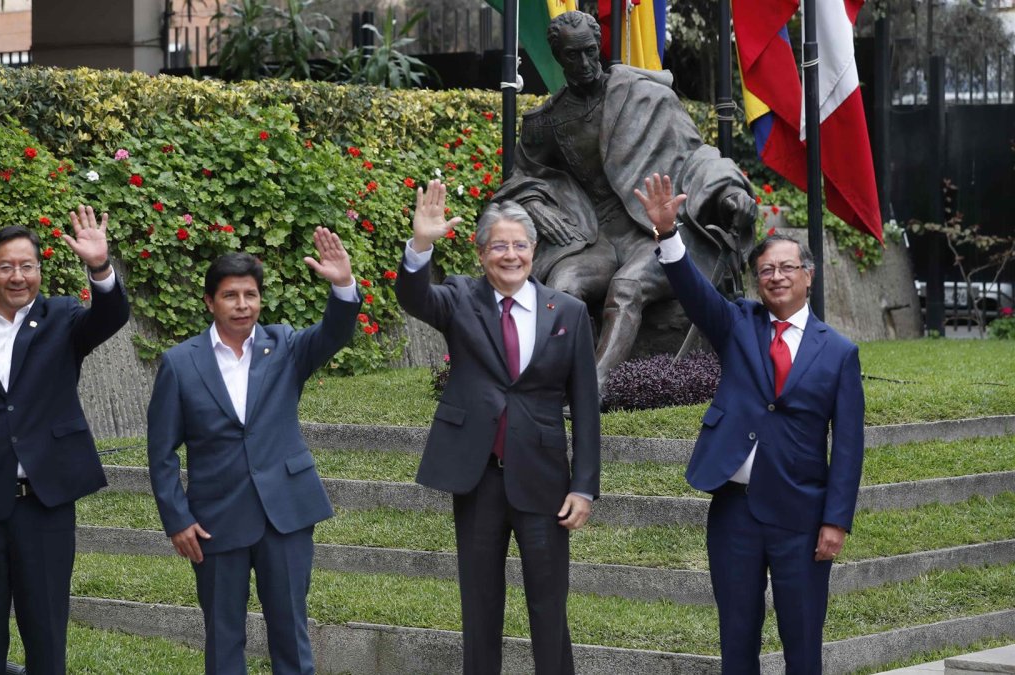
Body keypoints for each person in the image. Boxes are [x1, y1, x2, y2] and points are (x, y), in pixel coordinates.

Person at [636, 173, 865, 674]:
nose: (776, 276)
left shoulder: (840, 353)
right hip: (734, 513)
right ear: (756, 280)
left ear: (809, 276)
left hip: (801, 517)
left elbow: (848, 446)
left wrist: (835, 521)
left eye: (787, 268)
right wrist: (668, 235)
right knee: (736, 637)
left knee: (802, 638)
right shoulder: (738, 323)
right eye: (766, 270)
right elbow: (694, 293)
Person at [396, 180, 601, 674]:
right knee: (480, 607)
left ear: (535, 250)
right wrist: (421, 244)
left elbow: (586, 406)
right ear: (481, 251)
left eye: (520, 245)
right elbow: (414, 296)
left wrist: (585, 487)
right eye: (499, 245)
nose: (510, 255)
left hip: (544, 480)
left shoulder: (568, 312)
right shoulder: (460, 298)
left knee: (549, 608)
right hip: (479, 477)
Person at [493, 10, 756, 385]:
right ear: (558, 57)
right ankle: (548, 379)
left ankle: (594, 387)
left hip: (653, 231)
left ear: (598, 45)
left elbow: (696, 154)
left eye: (589, 51)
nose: (584, 63)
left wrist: (730, 192)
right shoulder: (547, 121)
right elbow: (520, 179)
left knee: (626, 288)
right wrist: (534, 205)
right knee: (562, 288)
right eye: (573, 55)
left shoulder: (646, 95)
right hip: (596, 237)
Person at [0, 206, 130, 674]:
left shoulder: (62, 318)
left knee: (45, 626)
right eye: (6, 266)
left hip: (44, 503)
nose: (18, 277)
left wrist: (99, 267)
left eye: (28, 266)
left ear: (39, 269)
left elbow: (111, 315)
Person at [146, 227, 360, 675]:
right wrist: (177, 518)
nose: (242, 305)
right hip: (215, 519)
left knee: (291, 631)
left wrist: (343, 285)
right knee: (223, 636)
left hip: (285, 512)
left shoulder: (284, 345)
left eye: (251, 295)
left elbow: (335, 334)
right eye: (230, 296)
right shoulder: (180, 363)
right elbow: (161, 450)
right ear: (209, 302)